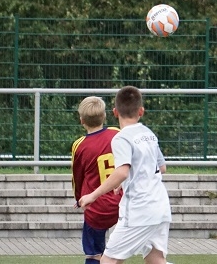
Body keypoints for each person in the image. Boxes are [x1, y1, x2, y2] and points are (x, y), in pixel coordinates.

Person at [78, 86, 172, 264]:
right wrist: (126, 180)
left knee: (108, 261)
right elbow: (162, 167)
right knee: (156, 260)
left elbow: (122, 171)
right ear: (141, 111)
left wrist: (92, 195)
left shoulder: (121, 138)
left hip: (139, 210)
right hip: (160, 206)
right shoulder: (148, 134)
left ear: (115, 112)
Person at [71, 96, 123, 264]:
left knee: (93, 253)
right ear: (105, 116)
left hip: (96, 206)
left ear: (82, 120)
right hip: (121, 202)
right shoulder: (117, 133)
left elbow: (77, 177)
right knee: (117, 253)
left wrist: (79, 199)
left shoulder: (80, 145)